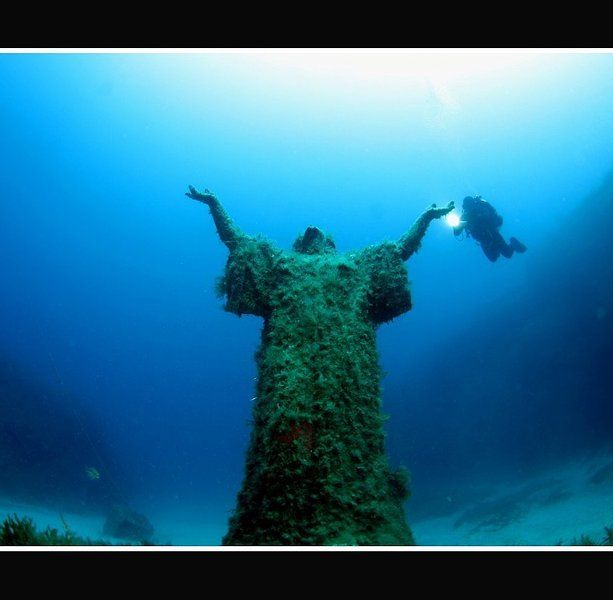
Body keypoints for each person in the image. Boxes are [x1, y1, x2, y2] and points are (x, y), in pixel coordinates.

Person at [183, 185, 453, 545]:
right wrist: (214, 204)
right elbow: (237, 242)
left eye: (320, 232)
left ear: (331, 245)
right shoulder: (281, 265)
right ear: (299, 246)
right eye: (306, 233)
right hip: (289, 373)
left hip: (347, 379)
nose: (313, 229)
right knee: (286, 443)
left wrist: (426, 217)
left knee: (347, 446)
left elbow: (400, 250)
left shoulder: (358, 264)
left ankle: (358, 522)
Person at [453, 195, 526, 262]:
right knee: (493, 259)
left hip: (493, 234)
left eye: (470, 205)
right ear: (465, 207)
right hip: (483, 241)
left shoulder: (481, 208)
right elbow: (456, 233)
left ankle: (513, 243)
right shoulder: (464, 217)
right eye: (467, 206)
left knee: (508, 254)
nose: (470, 208)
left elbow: (489, 216)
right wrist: (456, 226)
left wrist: (474, 220)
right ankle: (498, 249)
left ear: (473, 203)